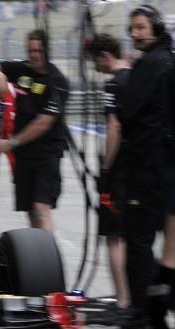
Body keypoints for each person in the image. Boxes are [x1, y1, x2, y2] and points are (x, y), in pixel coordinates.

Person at [0, 29, 69, 235]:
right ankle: (38, 252)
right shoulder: (21, 69)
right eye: (30, 50)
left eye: (39, 50)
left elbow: (43, 123)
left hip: (47, 154)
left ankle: (49, 260)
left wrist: (10, 143)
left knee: (41, 208)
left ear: (48, 50)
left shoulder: (58, 82)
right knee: (29, 210)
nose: (34, 54)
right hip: (24, 155)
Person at [120, 5, 174, 327]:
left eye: (140, 27)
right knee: (165, 247)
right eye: (132, 28)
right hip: (165, 168)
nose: (134, 33)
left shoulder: (150, 64)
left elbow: (127, 112)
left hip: (146, 168)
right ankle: (157, 309)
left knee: (138, 242)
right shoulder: (169, 59)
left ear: (154, 28)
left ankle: (144, 312)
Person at [86, 33, 131, 310]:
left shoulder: (114, 84)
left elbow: (114, 127)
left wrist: (106, 168)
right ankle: (135, 295)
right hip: (141, 167)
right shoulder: (138, 76)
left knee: (114, 237)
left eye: (95, 62)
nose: (95, 68)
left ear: (104, 56)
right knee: (135, 236)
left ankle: (123, 298)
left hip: (120, 171)